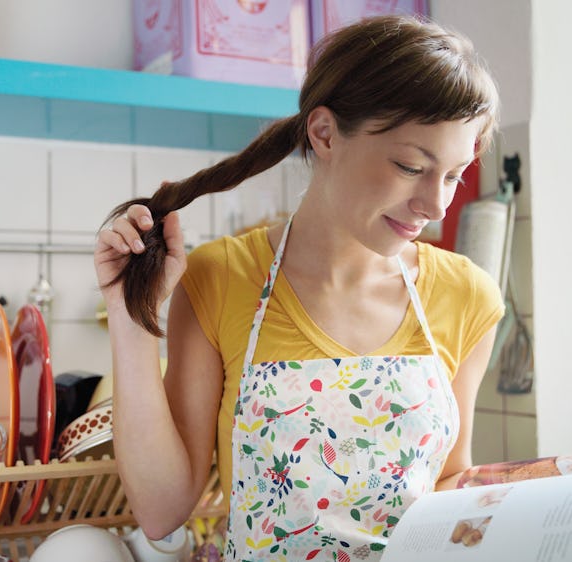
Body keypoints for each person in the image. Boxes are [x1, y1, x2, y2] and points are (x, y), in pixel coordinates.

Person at [94, 14, 503, 561]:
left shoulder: (467, 295)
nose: (435, 205)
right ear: (325, 134)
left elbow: (450, 478)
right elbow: (162, 508)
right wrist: (132, 317)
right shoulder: (222, 278)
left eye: (453, 175)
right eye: (411, 166)